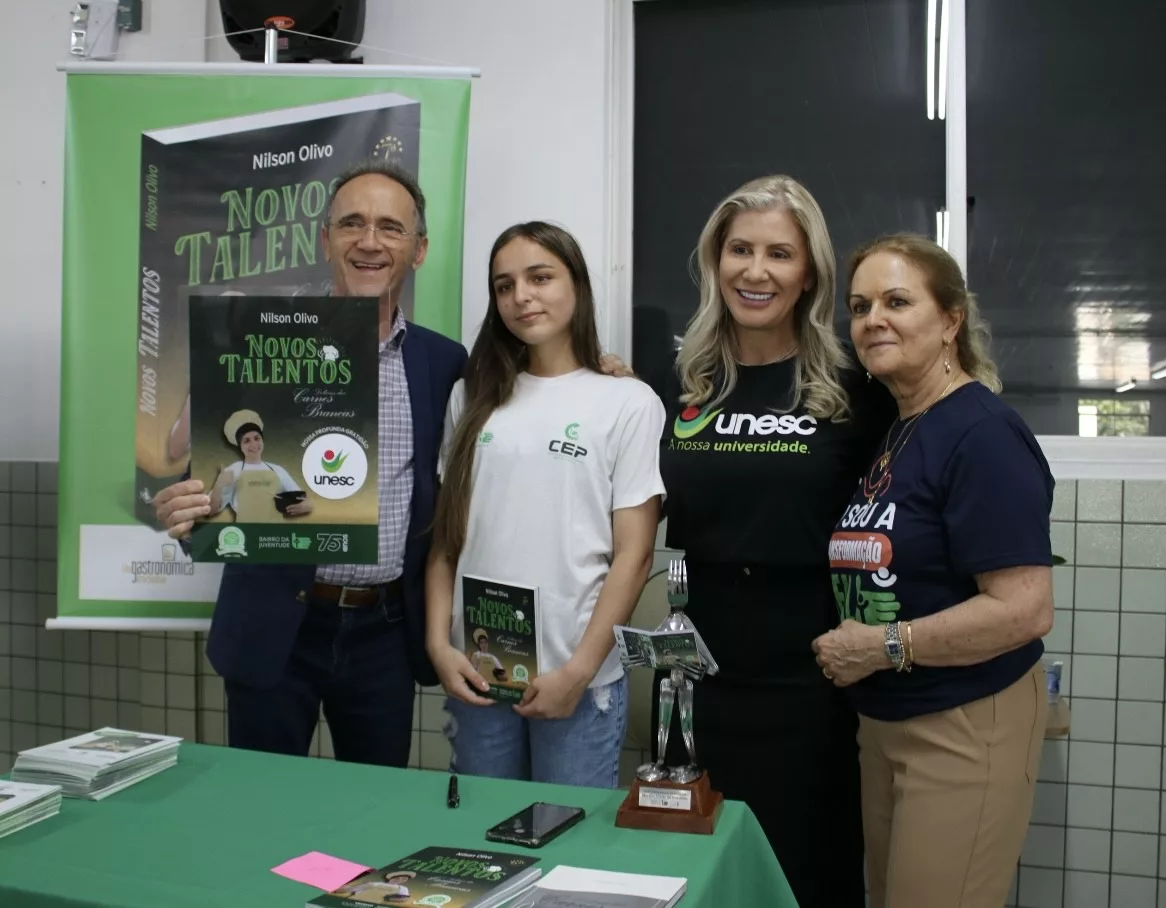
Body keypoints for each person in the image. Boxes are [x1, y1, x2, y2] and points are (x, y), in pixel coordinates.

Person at [153, 160, 468, 767]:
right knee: (261, 815)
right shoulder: (260, 334)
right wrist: (181, 501)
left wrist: (602, 367)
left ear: (419, 249)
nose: (369, 241)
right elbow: (184, 458)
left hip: (383, 634)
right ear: (325, 241)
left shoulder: (443, 361)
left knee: (372, 816)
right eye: (351, 224)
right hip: (273, 623)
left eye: (390, 227)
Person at [647, 174, 895, 908]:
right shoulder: (677, 379)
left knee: (808, 869)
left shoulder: (854, 387)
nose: (756, 272)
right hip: (694, 670)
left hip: (812, 673)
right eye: (740, 250)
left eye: (779, 254)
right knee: (695, 868)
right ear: (713, 261)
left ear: (809, 270)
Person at [813, 233, 1053, 908]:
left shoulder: (982, 433)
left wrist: (883, 645)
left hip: (965, 718)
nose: (871, 320)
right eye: (859, 307)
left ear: (950, 320)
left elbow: (1024, 608)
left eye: (897, 301)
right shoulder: (898, 428)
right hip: (886, 720)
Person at [425, 221, 665, 788]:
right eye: (504, 286)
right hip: (480, 672)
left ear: (577, 285)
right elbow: (447, 542)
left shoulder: (627, 401)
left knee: (568, 844)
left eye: (540, 277)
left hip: (576, 677)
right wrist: (439, 644)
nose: (521, 296)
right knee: (480, 846)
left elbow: (634, 556)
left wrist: (580, 672)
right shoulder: (471, 396)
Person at [206, 409, 311, 522]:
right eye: (246, 441)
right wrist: (219, 485)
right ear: (240, 446)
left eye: (257, 438)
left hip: (275, 535)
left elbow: (305, 500)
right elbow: (210, 511)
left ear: (262, 440)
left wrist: (306, 506)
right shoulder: (233, 471)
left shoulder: (277, 470)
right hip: (246, 533)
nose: (254, 444)